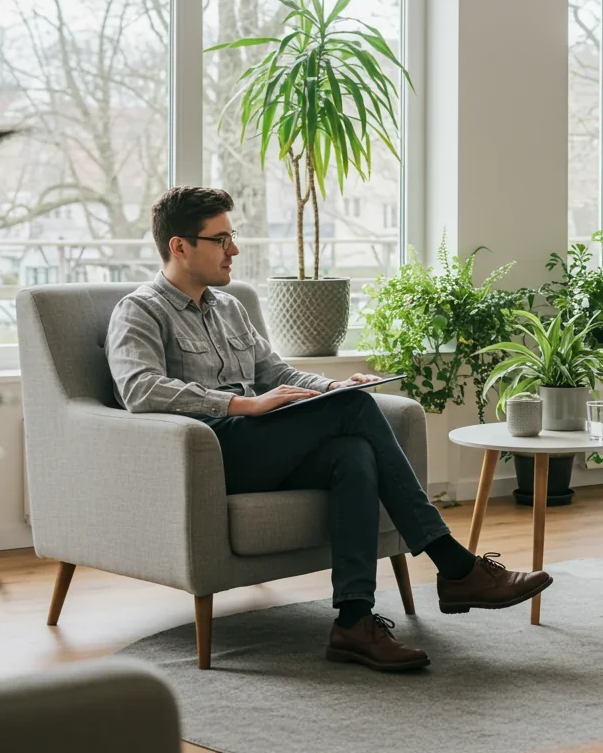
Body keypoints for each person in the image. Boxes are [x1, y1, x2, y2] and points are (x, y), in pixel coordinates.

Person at [105, 186, 552, 672]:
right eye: (221, 239)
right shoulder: (140, 310)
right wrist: (241, 404)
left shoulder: (229, 308)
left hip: (262, 447)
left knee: (353, 452)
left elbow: (277, 373)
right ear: (179, 246)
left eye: (233, 237)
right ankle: (455, 565)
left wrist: (333, 387)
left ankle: (354, 621)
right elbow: (140, 389)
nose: (233, 249)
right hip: (211, 454)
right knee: (355, 414)